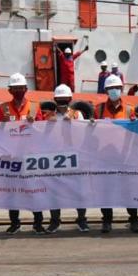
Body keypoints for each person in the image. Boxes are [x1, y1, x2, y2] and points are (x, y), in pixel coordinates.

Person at [0, 72, 46, 235]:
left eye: (21, 88)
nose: (18, 91)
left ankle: (38, 223)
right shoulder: (3, 108)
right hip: (10, 157)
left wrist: (35, 124)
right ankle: (14, 222)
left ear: (26, 89)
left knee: (34, 190)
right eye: (15, 88)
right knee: (12, 191)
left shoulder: (34, 107)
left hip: (30, 156)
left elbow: (42, 130)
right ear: (10, 90)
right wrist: (1, 125)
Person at [94, 74, 138, 234]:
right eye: (111, 88)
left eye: (116, 88)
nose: (114, 91)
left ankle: (134, 219)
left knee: (129, 189)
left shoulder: (129, 110)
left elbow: (136, 131)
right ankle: (107, 221)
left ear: (121, 89)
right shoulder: (98, 109)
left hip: (124, 156)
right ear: (106, 90)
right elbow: (90, 132)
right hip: (105, 157)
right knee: (105, 190)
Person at [43, 84, 90, 233]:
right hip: (56, 158)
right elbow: (42, 135)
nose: (62, 101)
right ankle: (55, 221)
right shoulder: (48, 116)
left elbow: (84, 133)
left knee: (79, 190)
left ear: (70, 99)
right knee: (54, 191)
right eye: (59, 98)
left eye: (65, 98)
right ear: (55, 99)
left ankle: (81, 220)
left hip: (74, 157)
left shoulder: (77, 115)